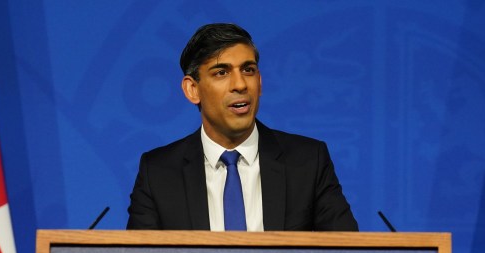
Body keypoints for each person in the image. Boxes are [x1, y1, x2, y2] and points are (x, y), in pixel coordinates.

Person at [127, 23, 357, 231]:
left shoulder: (308, 161)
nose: (240, 84)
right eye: (221, 73)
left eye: (248, 70)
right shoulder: (158, 173)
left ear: (260, 82)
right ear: (192, 90)